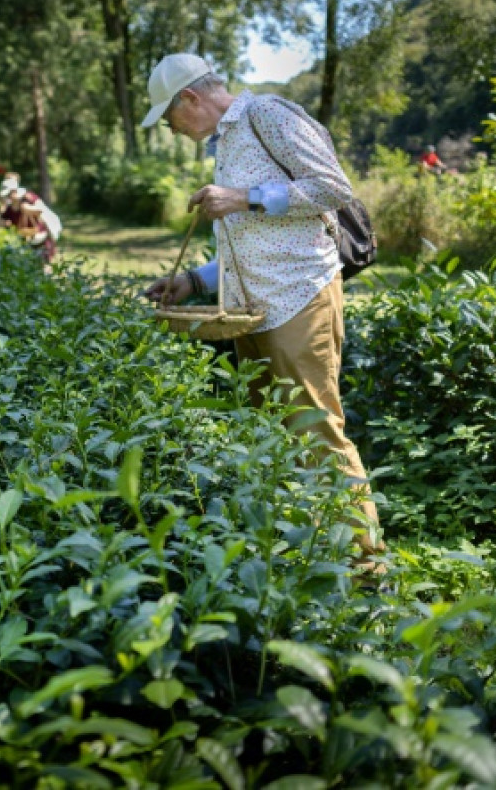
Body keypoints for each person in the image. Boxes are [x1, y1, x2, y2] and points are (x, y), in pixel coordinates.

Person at [139, 53, 384, 568]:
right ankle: (313, 549)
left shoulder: (269, 114)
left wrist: (243, 196)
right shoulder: (226, 141)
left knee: (316, 429)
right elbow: (248, 237)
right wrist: (192, 280)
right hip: (254, 307)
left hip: (299, 297)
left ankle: (367, 566)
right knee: (274, 434)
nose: (171, 128)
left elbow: (333, 188)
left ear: (190, 98)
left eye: (169, 117)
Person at [0, 173, 62, 264]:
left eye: (10, 194)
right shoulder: (9, 209)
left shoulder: (28, 199)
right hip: (28, 241)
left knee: (46, 265)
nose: (9, 197)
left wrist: (28, 209)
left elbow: (42, 211)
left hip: (42, 237)